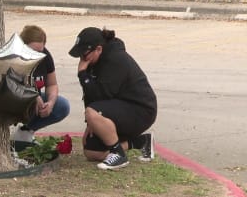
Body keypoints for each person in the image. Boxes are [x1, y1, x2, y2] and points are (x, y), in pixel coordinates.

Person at [68, 27, 157, 170]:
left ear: (98, 49)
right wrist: (91, 124)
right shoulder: (95, 61)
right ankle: (141, 141)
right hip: (120, 107)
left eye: (84, 55)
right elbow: (92, 97)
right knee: (91, 152)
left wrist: (82, 75)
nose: (82, 60)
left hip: (141, 110)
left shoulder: (115, 59)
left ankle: (118, 154)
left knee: (92, 112)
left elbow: (100, 96)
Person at [11, 25, 70, 142]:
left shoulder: (45, 57)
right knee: (32, 104)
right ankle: (10, 132)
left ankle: (25, 132)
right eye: (32, 51)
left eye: (40, 51)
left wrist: (51, 103)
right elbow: (14, 86)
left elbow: (52, 84)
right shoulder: (14, 57)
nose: (37, 55)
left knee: (62, 105)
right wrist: (34, 96)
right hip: (14, 101)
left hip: (34, 101)